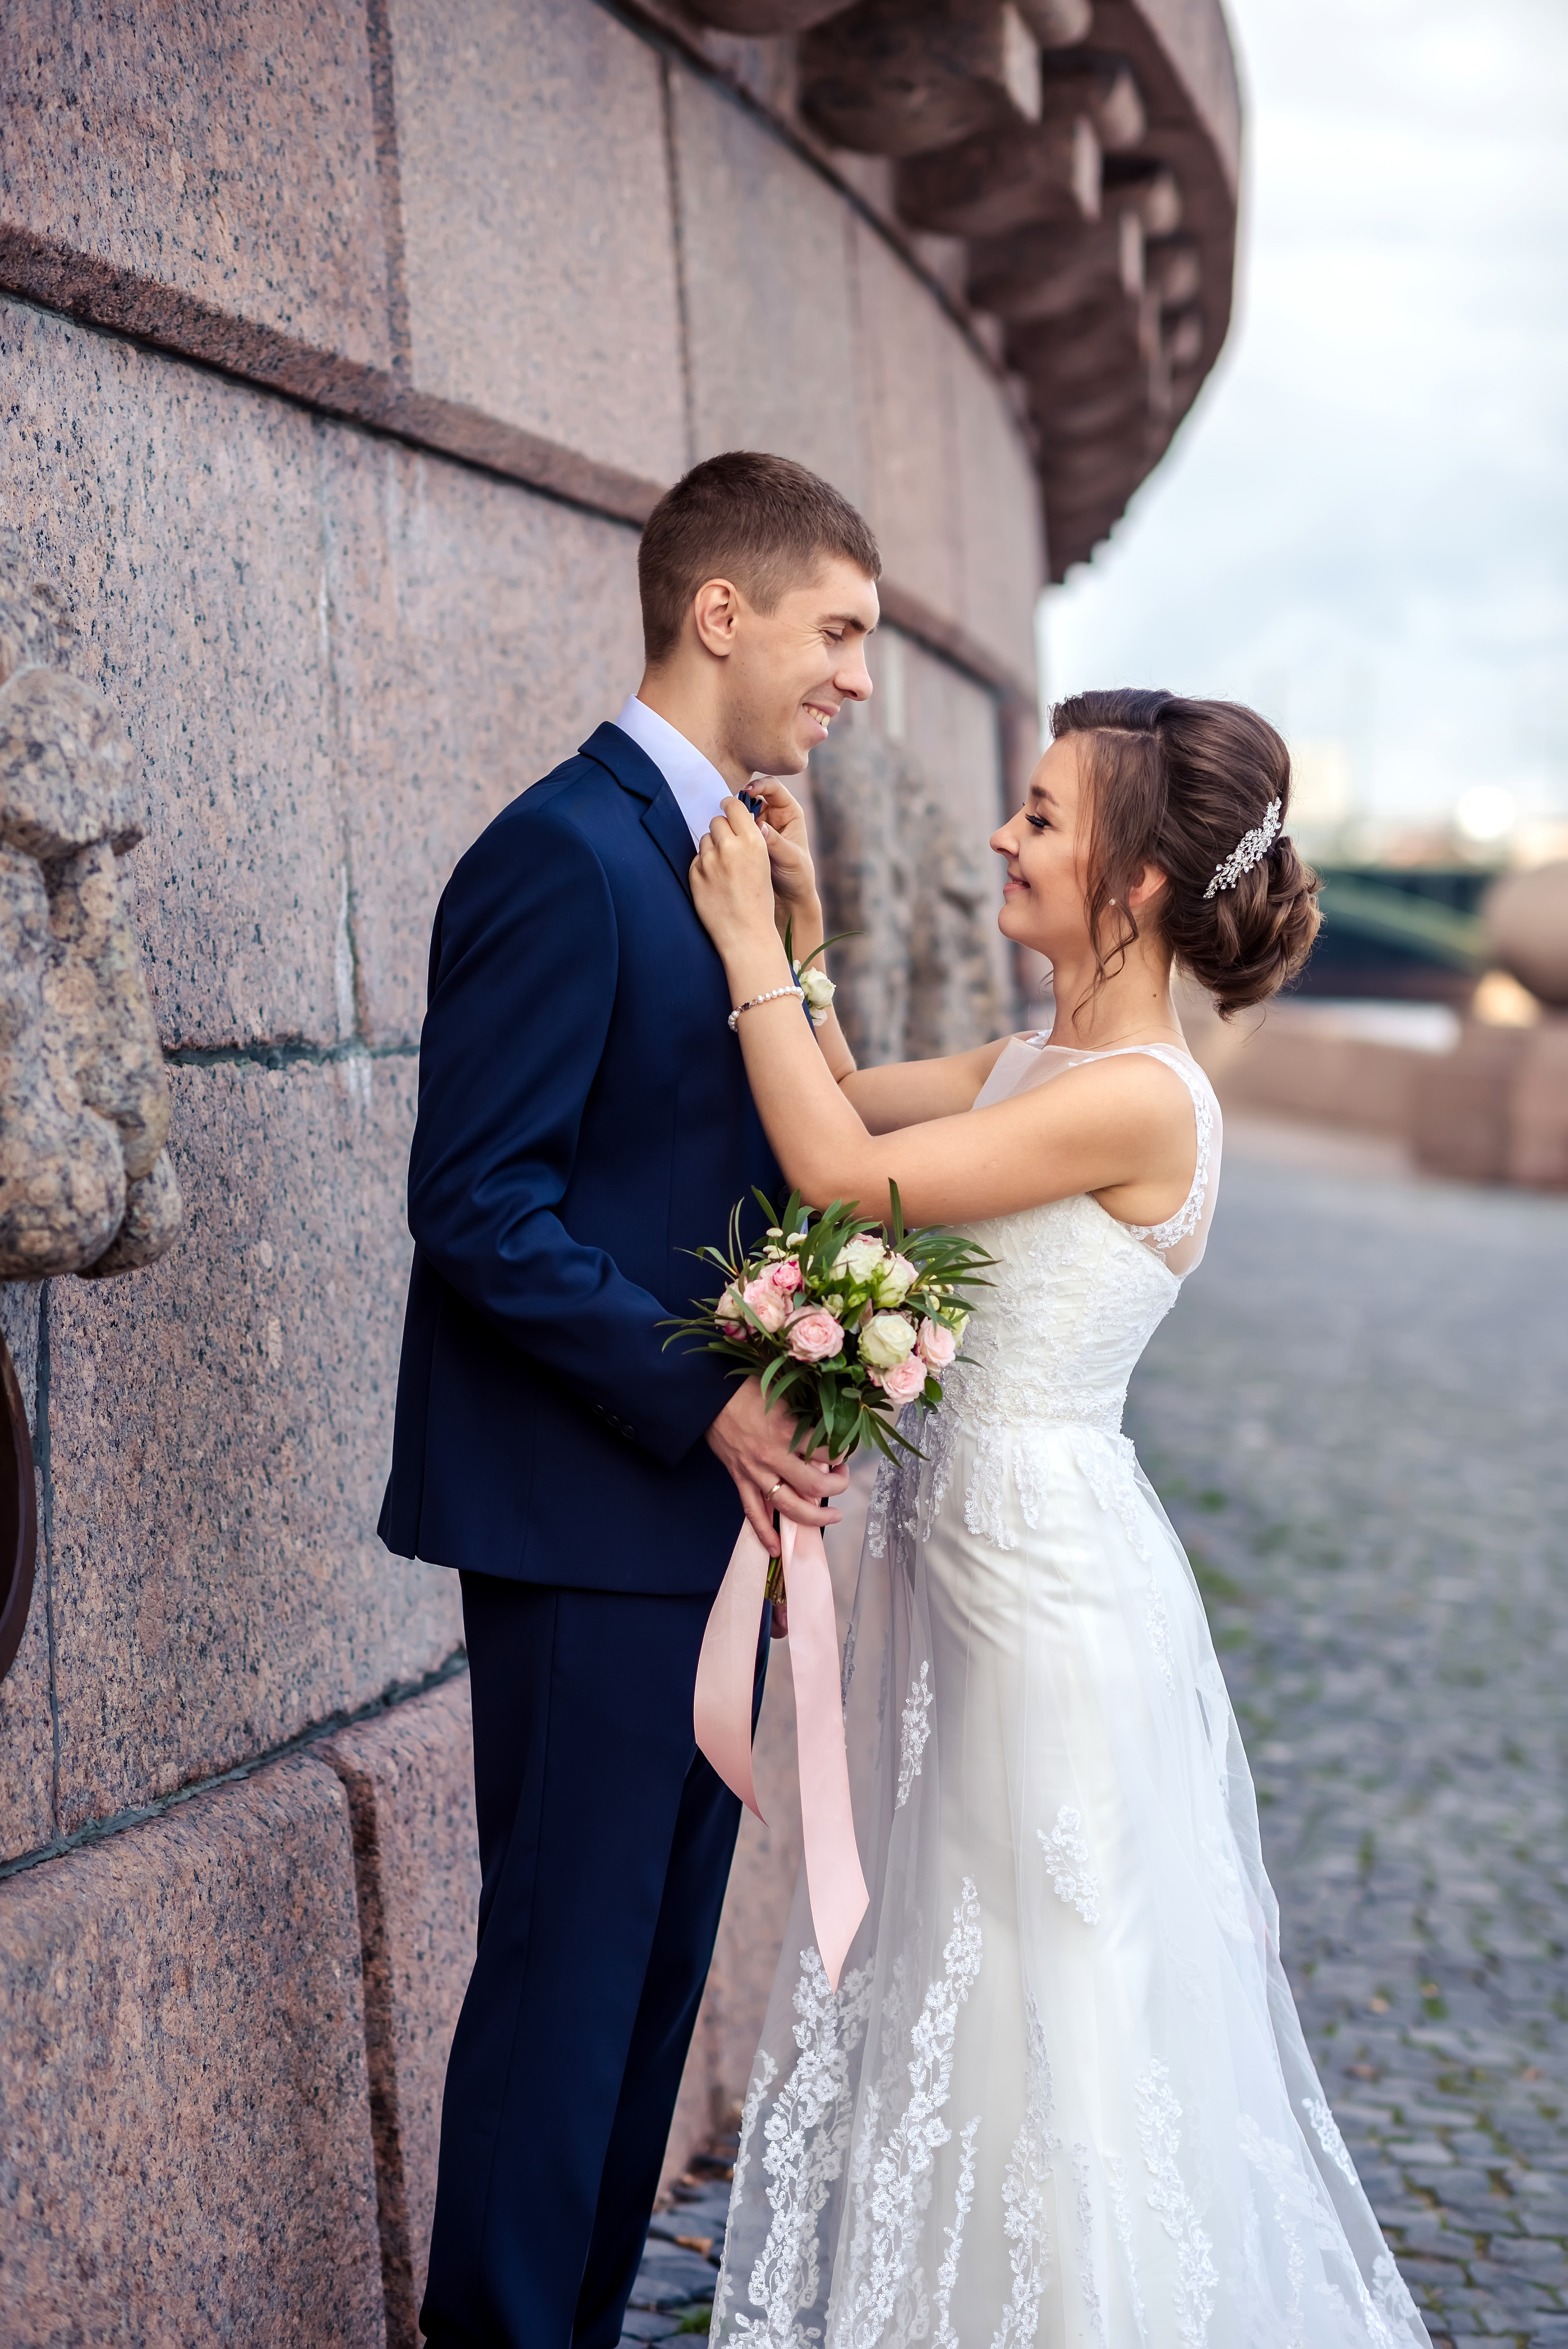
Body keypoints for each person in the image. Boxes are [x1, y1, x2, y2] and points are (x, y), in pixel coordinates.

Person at [690, 690, 1433, 2347]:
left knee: (1048, 2014)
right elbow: (839, 1093)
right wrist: (800, 935)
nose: (1006, 841)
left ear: (1144, 879)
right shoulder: (1044, 1059)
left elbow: (826, 1172)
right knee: (958, 1991)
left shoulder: (1147, 1098)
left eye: (1039, 816)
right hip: (968, 1570)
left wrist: (737, 934)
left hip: (1042, 1596)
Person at [378, 451, 884, 2347]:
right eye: (836, 632)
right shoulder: (559, 852)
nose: (852, 677)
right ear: (720, 610)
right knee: (567, 1985)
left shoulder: (743, 858)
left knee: (654, 1986)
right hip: (591, 1513)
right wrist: (710, 1407)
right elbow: (476, 1206)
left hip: (708, 1529)